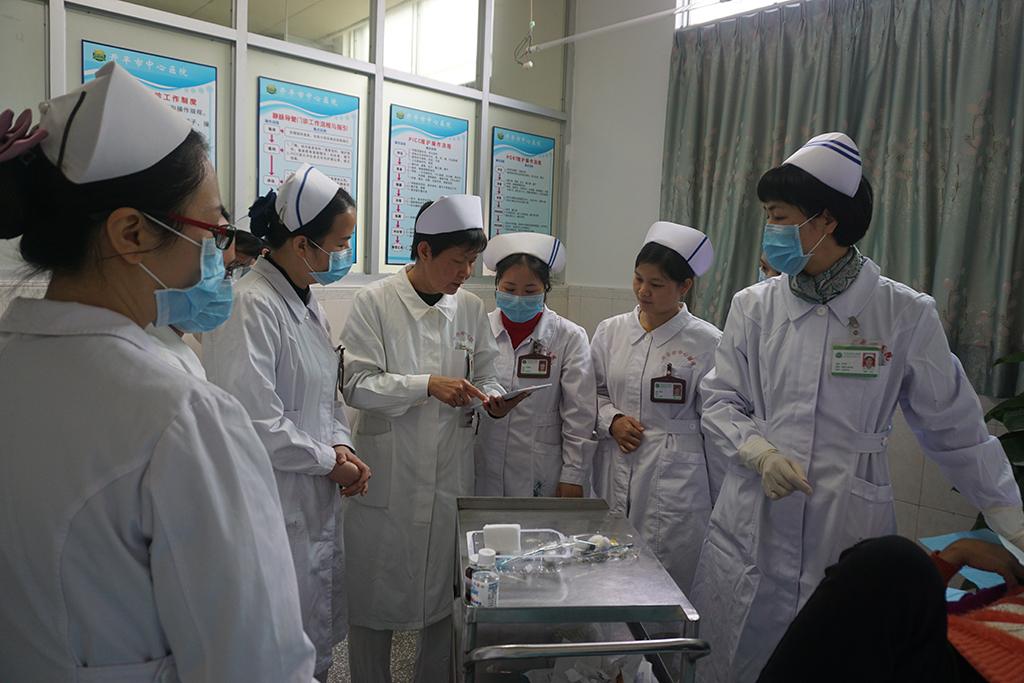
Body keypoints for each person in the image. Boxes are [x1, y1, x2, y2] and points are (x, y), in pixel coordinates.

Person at [0, 63, 317, 682]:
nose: (221, 255)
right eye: (214, 230)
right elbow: (260, 666)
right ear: (131, 233)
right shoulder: (180, 419)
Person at [692, 132, 1024, 683]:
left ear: (825, 220)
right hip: (756, 514)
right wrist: (757, 452)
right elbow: (720, 399)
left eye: (778, 216)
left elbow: (957, 429)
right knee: (738, 657)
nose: (769, 229)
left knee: (839, 655)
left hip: (846, 511)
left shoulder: (902, 313)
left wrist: (1011, 518)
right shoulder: (753, 306)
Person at [339, 195, 524, 683]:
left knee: (446, 600)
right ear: (424, 251)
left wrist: (492, 398)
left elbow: (486, 375)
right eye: (458, 261)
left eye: (472, 262)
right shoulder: (374, 302)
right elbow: (356, 385)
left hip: (448, 474)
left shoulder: (470, 308)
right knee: (372, 601)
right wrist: (424, 385)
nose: (466, 273)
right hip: (389, 476)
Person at [204, 163, 370, 681]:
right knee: (274, 649)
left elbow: (326, 395)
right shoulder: (250, 305)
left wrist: (342, 446)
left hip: (312, 492)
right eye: (340, 243)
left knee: (310, 642)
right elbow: (255, 421)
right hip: (272, 498)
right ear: (302, 244)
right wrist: (329, 462)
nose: (346, 254)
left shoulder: (307, 300)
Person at [590, 221, 723, 593]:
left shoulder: (707, 342)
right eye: (638, 279)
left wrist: (723, 500)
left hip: (677, 481)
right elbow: (589, 394)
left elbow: (718, 422)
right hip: (614, 465)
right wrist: (611, 420)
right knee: (607, 575)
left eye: (657, 284)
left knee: (667, 581)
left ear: (685, 287)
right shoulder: (611, 331)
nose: (643, 291)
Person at [756, 535, 1024, 683]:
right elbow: (929, 617)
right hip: (944, 658)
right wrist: (956, 554)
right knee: (891, 564)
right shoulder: (1013, 591)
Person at [474, 232, 597, 498]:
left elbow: (580, 414)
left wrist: (573, 475)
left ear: (546, 287)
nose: (519, 297)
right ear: (496, 284)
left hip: (541, 468)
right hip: (483, 459)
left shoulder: (569, 337)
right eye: (509, 289)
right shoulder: (479, 329)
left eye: (530, 291)